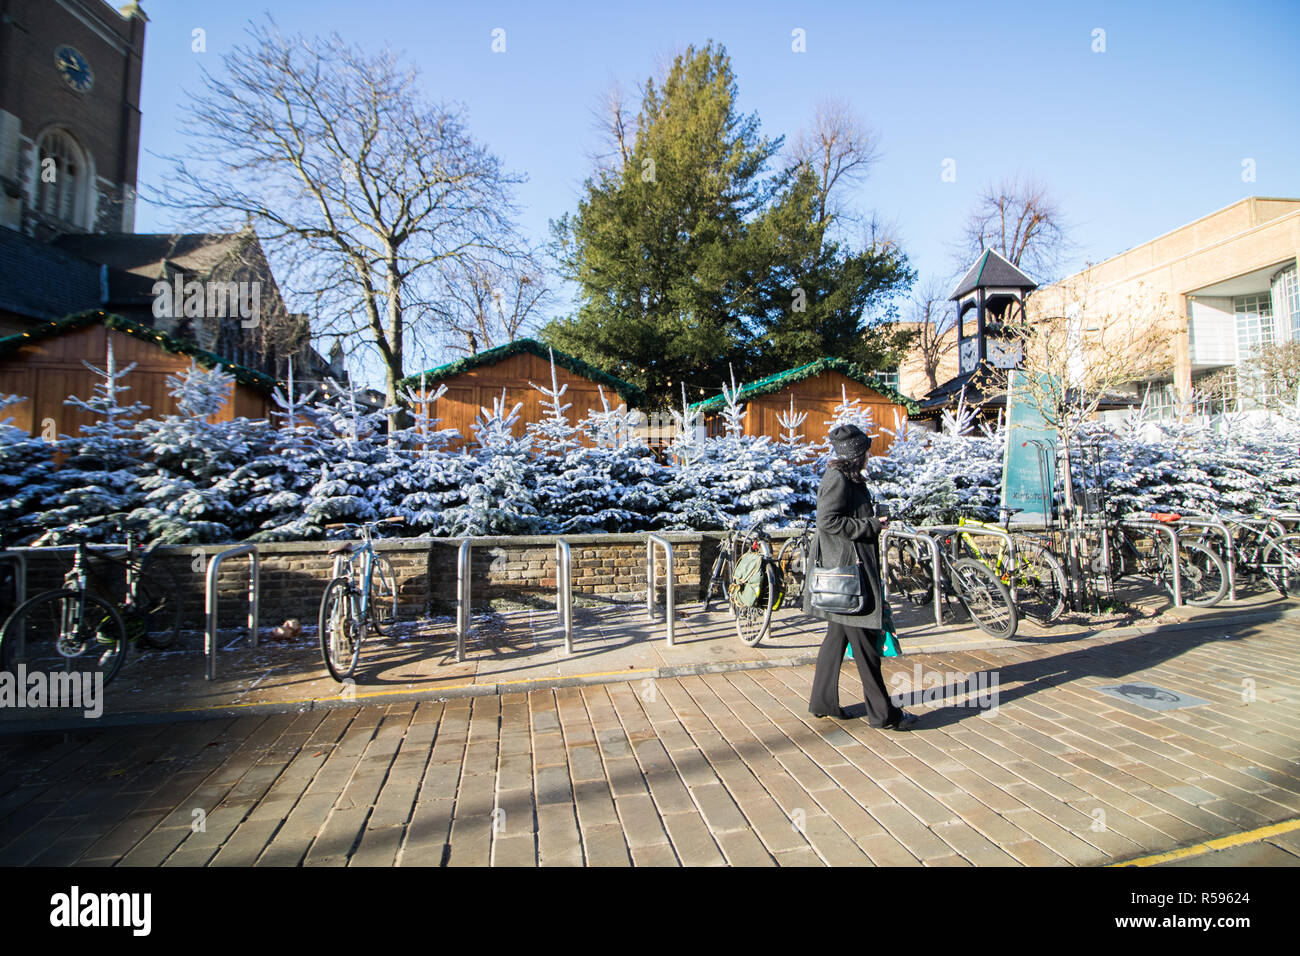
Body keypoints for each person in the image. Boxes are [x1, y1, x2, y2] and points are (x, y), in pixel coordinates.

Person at [804, 424, 918, 731]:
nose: (870, 454)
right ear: (856, 455)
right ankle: (884, 715)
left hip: (848, 576)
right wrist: (870, 525)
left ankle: (822, 702)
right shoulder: (837, 478)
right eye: (866, 449)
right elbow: (827, 520)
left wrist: (870, 520)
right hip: (850, 577)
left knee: (835, 641)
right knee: (868, 647)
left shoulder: (849, 477)